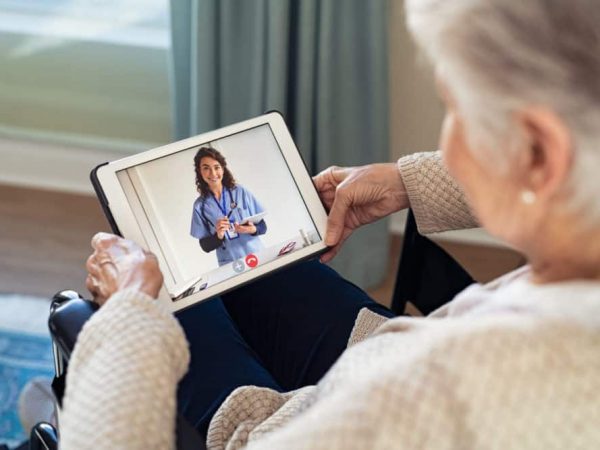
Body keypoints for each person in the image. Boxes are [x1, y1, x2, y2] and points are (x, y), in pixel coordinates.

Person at [61, 0, 600, 448]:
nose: (450, 146)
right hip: (389, 349)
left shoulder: (440, 390)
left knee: (163, 305)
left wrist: (128, 321)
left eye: (456, 109)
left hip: (287, 423)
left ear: (538, 152)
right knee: (267, 269)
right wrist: (406, 182)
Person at [190, 147, 267, 266]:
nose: (213, 173)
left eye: (216, 167)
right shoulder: (200, 206)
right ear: (200, 171)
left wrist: (253, 229)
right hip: (231, 263)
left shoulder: (241, 192)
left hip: (256, 255)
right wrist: (218, 236)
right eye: (206, 168)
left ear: (223, 168)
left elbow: (263, 226)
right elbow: (205, 246)